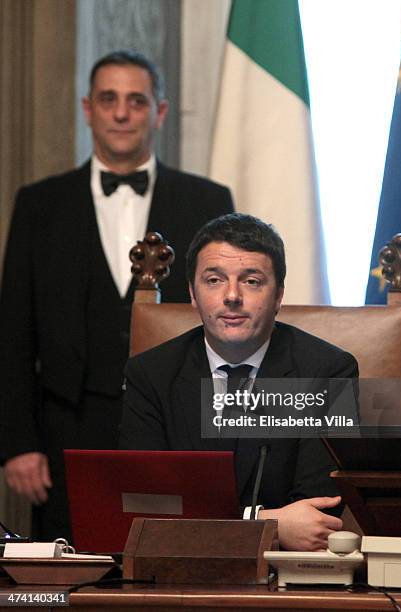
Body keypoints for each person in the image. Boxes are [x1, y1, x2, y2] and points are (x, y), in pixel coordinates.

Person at [0, 50, 233, 541]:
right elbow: (13, 332)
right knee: (68, 572)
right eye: (108, 100)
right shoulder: (39, 205)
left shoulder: (209, 202)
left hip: (179, 426)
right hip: (66, 429)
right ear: (88, 108)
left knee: (174, 563)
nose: (122, 113)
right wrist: (17, 443)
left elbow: (228, 318)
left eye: (136, 100)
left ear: (159, 112)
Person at [119, 213, 358, 551]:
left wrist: (205, 526)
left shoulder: (328, 372)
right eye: (214, 280)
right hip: (176, 571)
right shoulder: (150, 375)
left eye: (252, 281)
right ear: (192, 293)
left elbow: (318, 512)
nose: (232, 296)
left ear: (278, 296)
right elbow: (144, 510)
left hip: (284, 579)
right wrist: (266, 525)